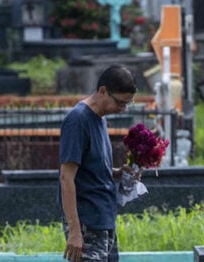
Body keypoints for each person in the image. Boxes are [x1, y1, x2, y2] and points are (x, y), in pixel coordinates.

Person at [59, 64, 139, 262]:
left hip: (104, 218)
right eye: (120, 103)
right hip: (87, 223)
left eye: (127, 104)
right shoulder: (78, 120)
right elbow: (66, 177)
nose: (122, 109)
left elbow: (91, 167)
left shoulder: (100, 119)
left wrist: (117, 172)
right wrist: (75, 231)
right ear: (103, 91)